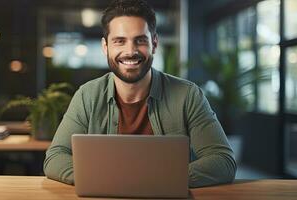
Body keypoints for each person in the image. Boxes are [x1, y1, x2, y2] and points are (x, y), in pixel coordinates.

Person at [43, 0, 236, 188]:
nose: (130, 51)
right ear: (105, 47)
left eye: (140, 40)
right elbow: (55, 157)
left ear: (154, 43)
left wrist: (153, 181)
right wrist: (108, 180)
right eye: (119, 41)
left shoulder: (188, 95)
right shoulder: (87, 96)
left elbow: (223, 161)